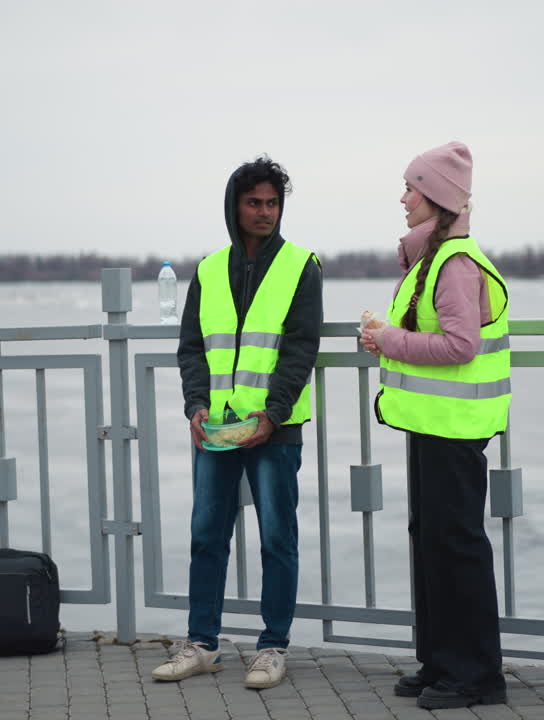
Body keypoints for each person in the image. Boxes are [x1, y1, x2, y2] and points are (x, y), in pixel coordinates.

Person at [151, 156, 323, 690]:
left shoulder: (302, 265)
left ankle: (272, 648)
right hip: (217, 429)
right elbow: (192, 349)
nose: (265, 212)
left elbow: (300, 350)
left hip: (275, 428)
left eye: (273, 203)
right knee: (206, 535)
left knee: (278, 538)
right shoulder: (207, 270)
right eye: (255, 203)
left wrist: (272, 415)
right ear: (235, 206)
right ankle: (201, 643)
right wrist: (195, 407)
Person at [360, 141, 511, 709]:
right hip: (433, 423)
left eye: (411, 189)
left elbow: (459, 344)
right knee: (432, 541)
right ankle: (440, 663)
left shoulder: (456, 263)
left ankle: (476, 676)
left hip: (456, 426)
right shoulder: (434, 259)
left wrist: (385, 340)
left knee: (457, 546)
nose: (403, 199)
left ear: (437, 200)